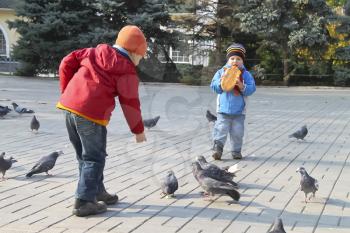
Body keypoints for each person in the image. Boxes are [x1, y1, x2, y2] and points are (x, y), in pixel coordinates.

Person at [57, 25, 147, 217]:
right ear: (133, 52)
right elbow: (130, 103)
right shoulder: (126, 70)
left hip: (68, 108)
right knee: (94, 158)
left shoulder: (93, 52)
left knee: (85, 155)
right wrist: (138, 130)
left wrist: (66, 92)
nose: (140, 60)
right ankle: (83, 202)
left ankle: (97, 191)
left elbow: (66, 62)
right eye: (141, 55)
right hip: (91, 115)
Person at [210, 43, 256, 160]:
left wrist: (242, 86)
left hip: (239, 112)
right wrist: (220, 83)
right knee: (220, 130)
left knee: (237, 133)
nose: (235, 61)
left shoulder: (246, 75)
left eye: (238, 59)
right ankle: (217, 149)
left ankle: (236, 151)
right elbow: (213, 86)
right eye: (232, 58)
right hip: (223, 110)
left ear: (243, 61)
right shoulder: (221, 72)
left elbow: (251, 89)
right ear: (228, 59)